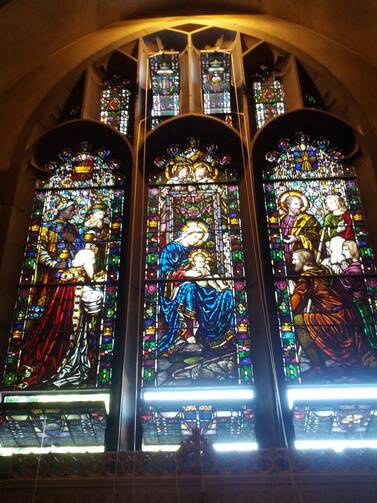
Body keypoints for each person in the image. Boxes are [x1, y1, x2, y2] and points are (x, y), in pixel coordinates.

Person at [18, 248, 104, 389]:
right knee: (70, 350)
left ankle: (37, 369)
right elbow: (90, 302)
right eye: (92, 260)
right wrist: (100, 289)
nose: (93, 263)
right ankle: (66, 371)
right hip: (71, 324)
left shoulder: (67, 275)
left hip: (63, 320)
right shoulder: (79, 276)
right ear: (86, 261)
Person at [290, 249, 377, 375]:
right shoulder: (327, 270)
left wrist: (292, 293)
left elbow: (294, 306)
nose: (292, 262)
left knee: (298, 321)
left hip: (334, 318)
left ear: (303, 260)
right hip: (350, 315)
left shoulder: (307, 278)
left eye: (294, 259)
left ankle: (318, 366)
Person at [158, 221, 234, 354]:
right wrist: (185, 274)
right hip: (176, 289)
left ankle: (218, 337)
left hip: (200, 285)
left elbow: (207, 272)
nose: (196, 241)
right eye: (195, 237)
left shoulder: (194, 251)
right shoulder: (171, 249)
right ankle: (186, 333)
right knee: (189, 288)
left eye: (199, 239)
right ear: (187, 234)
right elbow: (164, 273)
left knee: (226, 294)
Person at [338, 240, 377, 348]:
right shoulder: (353, 267)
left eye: (345, 249)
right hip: (356, 304)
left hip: (358, 305)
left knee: (366, 330)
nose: (343, 252)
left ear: (353, 251)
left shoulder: (354, 270)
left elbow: (342, 286)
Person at [279, 191, 321, 272]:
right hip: (283, 253)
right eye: (296, 204)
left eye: (300, 204)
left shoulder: (308, 219)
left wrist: (297, 238)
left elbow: (315, 235)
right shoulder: (281, 219)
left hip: (300, 255)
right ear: (288, 205)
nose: (299, 207)